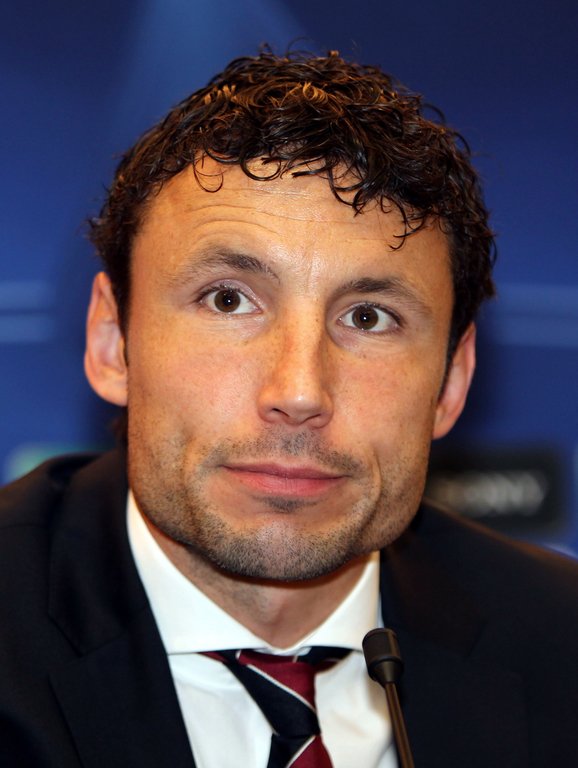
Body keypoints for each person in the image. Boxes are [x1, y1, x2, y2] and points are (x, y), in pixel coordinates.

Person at [0, 50, 577, 768]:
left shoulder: (561, 647)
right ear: (113, 341)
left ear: (452, 381)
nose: (300, 393)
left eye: (368, 318)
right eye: (228, 300)